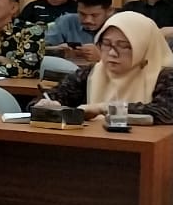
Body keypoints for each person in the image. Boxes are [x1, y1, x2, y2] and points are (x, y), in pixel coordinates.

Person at [35, 11, 173, 123]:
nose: (112, 53)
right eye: (106, 44)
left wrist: (103, 108)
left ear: (144, 47)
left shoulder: (165, 76)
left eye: (123, 46)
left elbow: (165, 112)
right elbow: (49, 97)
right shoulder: (92, 73)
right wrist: (46, 104)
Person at [47, 0, 114, 64]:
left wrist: (102, 57)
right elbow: (41, 50)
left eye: (94, 15)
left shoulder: (119, 28)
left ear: (109, 11)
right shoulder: (66, 22)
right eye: (82, 14)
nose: (88, 20)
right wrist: (58, 51)